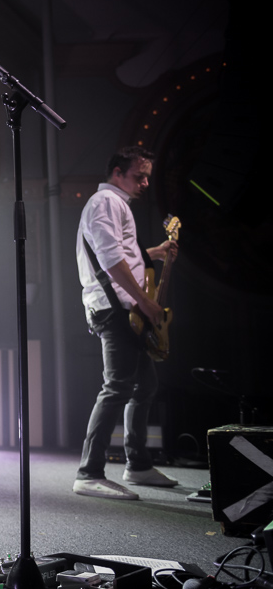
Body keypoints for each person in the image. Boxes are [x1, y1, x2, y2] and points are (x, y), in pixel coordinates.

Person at [73, 146, 179, 500]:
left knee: (144, 386)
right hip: (115, 307)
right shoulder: (106, 202)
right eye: (139, 175)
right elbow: (110, 258)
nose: (146, 182)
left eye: (148, 176)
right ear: (117, 173)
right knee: (118, 386)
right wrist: (146, 302)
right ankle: (89, 473)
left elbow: (125, 256)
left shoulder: (117, 205)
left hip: (125, 305)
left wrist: (155, 253)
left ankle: (138, 464)